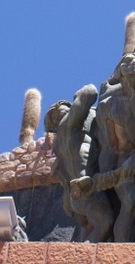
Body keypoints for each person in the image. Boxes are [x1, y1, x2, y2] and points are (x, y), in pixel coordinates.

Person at [72, 53, 135, 241]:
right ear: (119, 71)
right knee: (131, 199)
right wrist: (106, 179)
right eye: (128, 61)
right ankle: (123, 250)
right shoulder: (107, 106)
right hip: (124, 161)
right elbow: (109, 148)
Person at [44, 86, 114, 242]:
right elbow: (90, 91)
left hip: (75, 196)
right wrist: (78, 97)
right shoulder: (68, 125)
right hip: (85, 187)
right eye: (68, 109)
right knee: (105, 222)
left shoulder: (61, 145)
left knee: (90, 228)